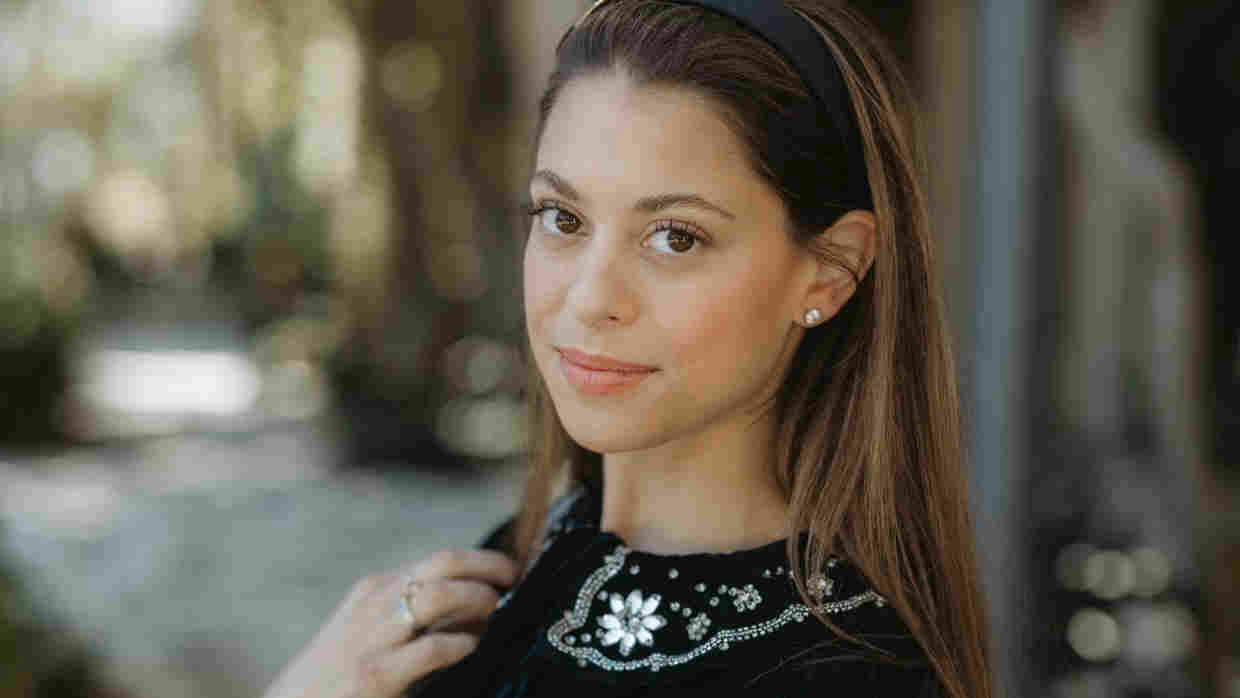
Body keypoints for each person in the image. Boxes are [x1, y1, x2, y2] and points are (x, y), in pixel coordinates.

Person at [261, 1, 993, 697]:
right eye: (562, 218)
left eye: (676, 237)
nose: (589, 298)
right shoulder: (517, 566)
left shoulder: (838, 678)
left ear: (831, 270)